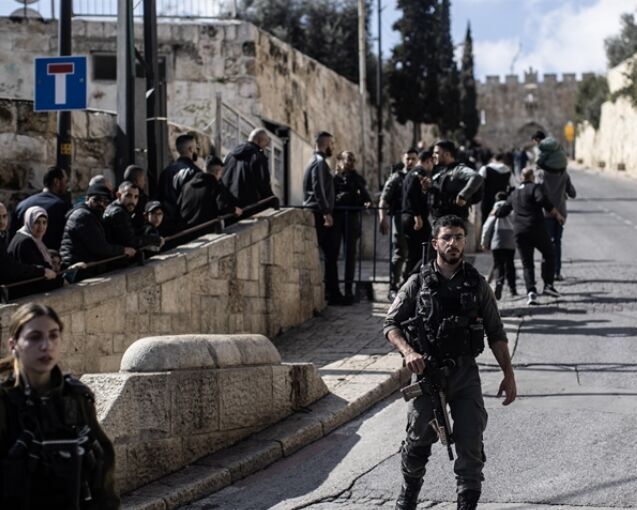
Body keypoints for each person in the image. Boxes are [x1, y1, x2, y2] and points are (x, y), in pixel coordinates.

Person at [384, 215, 516, 510]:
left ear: (464, 241)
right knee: (418, 441)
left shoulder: (477, 284)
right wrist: (408, 352)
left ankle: (466, 504)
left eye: (458, 237)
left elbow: (496, 332)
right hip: (427, 374)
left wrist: (508, 374)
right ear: (435, 243)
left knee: (470, 443)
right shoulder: (417, 282)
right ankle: (407, 497)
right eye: (446, 237)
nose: (453, 243)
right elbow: (390, 324)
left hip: (464, 374)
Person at [0, 302, 119, 509]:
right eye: (34, 337)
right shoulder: (5, 402)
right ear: (13, 344)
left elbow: (102, 474)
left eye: (53, 335)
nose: (46, 346)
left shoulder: (76, 397)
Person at [496, 167, 564, 305]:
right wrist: (557, 214)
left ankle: (531, 292)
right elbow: (542, 200)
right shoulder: (535, 188)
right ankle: (548, 285)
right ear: (532, 177)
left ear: (521, 177)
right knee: (549, 253)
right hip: (536, 228)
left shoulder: (514, 193)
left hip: (519, 232)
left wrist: (495, 212)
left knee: (527, 263)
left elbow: (502, 211)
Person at [303, 131, 343, 305]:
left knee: (329, 256)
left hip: (318, 212)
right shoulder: (319, 163)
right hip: (319, 214)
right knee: (330, 255)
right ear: (326, 144)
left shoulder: (315, 161)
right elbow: (318, 188)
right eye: (331, 144)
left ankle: (331, 293)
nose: (332, 148)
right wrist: (327, 212)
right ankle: (332, 294)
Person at [59, 183, 136, 272]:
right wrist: (123, 250)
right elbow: (100, 247)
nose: (101, 203)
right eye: (96, 199)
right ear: (87, 199)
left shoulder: (93, 215)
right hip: (77, 268)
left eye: (105, 201)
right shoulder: (83, 216)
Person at [532, 133, 576, 280]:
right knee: (557, 242)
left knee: (547, 244)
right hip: (561, 213)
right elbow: (573, 193)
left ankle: (548, 273)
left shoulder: (541, 174)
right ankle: (557, 271)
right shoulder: (564, 173)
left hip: (546, 213)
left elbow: (536, 193)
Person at [333, 151, 372, 304]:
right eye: (347, 159)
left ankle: (348, 290)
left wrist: (367, 202)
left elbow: (365, 196)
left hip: (351, 219)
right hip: (336, 219)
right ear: (340, 161)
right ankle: (334, 289)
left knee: (350, 255)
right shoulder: (334, 179)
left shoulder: (357, 179)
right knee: (333, 254)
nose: (350, 162)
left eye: (352, 160)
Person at [379, 149, 418, 298]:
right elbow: (384, 198)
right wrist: (383, 217)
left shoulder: (419, 176)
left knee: (414, 254)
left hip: (415, 220)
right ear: (403, 159)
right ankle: (393, 286)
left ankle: (407, 286)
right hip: (400, 219)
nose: (410, 162)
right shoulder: (397, 177)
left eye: (413, 159)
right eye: (408, 159)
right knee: (399, 253)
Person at [11, 166, 71, 251]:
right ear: (56, 182)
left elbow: (12, 237)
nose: (67, 185)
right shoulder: (62, 206)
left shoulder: (22, 205)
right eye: (66, 181)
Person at [222, 128, 278, 212]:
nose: (265, 148)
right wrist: (273, 201)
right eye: (265, 144)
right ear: (260, 140)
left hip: (232, 208)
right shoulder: (257, 156)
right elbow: (263, 184)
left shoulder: (230, 155)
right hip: (249, 208)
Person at [179, 156, 242, 230]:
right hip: (205, 230)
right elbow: (222, 206)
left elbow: (178, 207)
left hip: (187, 231)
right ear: (218, 172)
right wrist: (234, 210)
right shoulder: (215, 185)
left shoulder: (187, 186)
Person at [0, 202, 56, 285]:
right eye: (37, 222)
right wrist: (41, 271)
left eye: (4, 216)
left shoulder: (5, 235)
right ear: (28, 222)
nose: (2, 221)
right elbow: (10, 267)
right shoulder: (25, 241)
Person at [157, 133, 201, 232]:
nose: (197, 150)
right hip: (185, 225)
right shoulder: (194, 172)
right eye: (195, 147)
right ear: (191, 149)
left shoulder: (166, 171)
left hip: (166, 224)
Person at [430, 140, 484, 221]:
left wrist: (463, 195)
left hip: (454, 223)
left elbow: (477, 177)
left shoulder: (458, 170)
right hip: (440, 220)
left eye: (437, 153)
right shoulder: (441, 172)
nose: (433, 155)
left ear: (447, 154)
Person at [103, 181, 163, 251]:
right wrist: (155, 239)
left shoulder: (118, 208)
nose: (132, 200)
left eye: (136, 197)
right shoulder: (118, 213)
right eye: (128, 196)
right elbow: (131, 241)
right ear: (119, 195)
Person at [401, 150, 434, 275]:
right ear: (428, 161)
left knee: (414, 253)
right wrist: (417, 216)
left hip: (408, 217)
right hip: (414, 218)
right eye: (432, 162)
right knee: (424, 251)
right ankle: (410, 279)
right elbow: (411, 194)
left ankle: (409, 280)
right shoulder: (419, 172)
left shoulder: (411, 173)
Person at [481, 191, 517, 299]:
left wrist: (484, 242)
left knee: (498, 264)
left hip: (497, 240)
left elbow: (487, 227)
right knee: (510, 264)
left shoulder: (495, 210)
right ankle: (513, 288)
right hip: (510, 239)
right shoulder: (511, 209)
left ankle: (499, 282)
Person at [478, 153, 515, 226]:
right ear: (502, 160)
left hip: (487, 200)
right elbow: (513, 186)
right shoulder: (508, 171)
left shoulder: (485, 169)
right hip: (502, 201)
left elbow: (478, 183)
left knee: (485, 221)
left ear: (493, 159)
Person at [123, 165, 148, 234]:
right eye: (143, 179)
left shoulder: (120, 193)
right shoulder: (141, 198)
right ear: (137, 180)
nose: (144, 182)